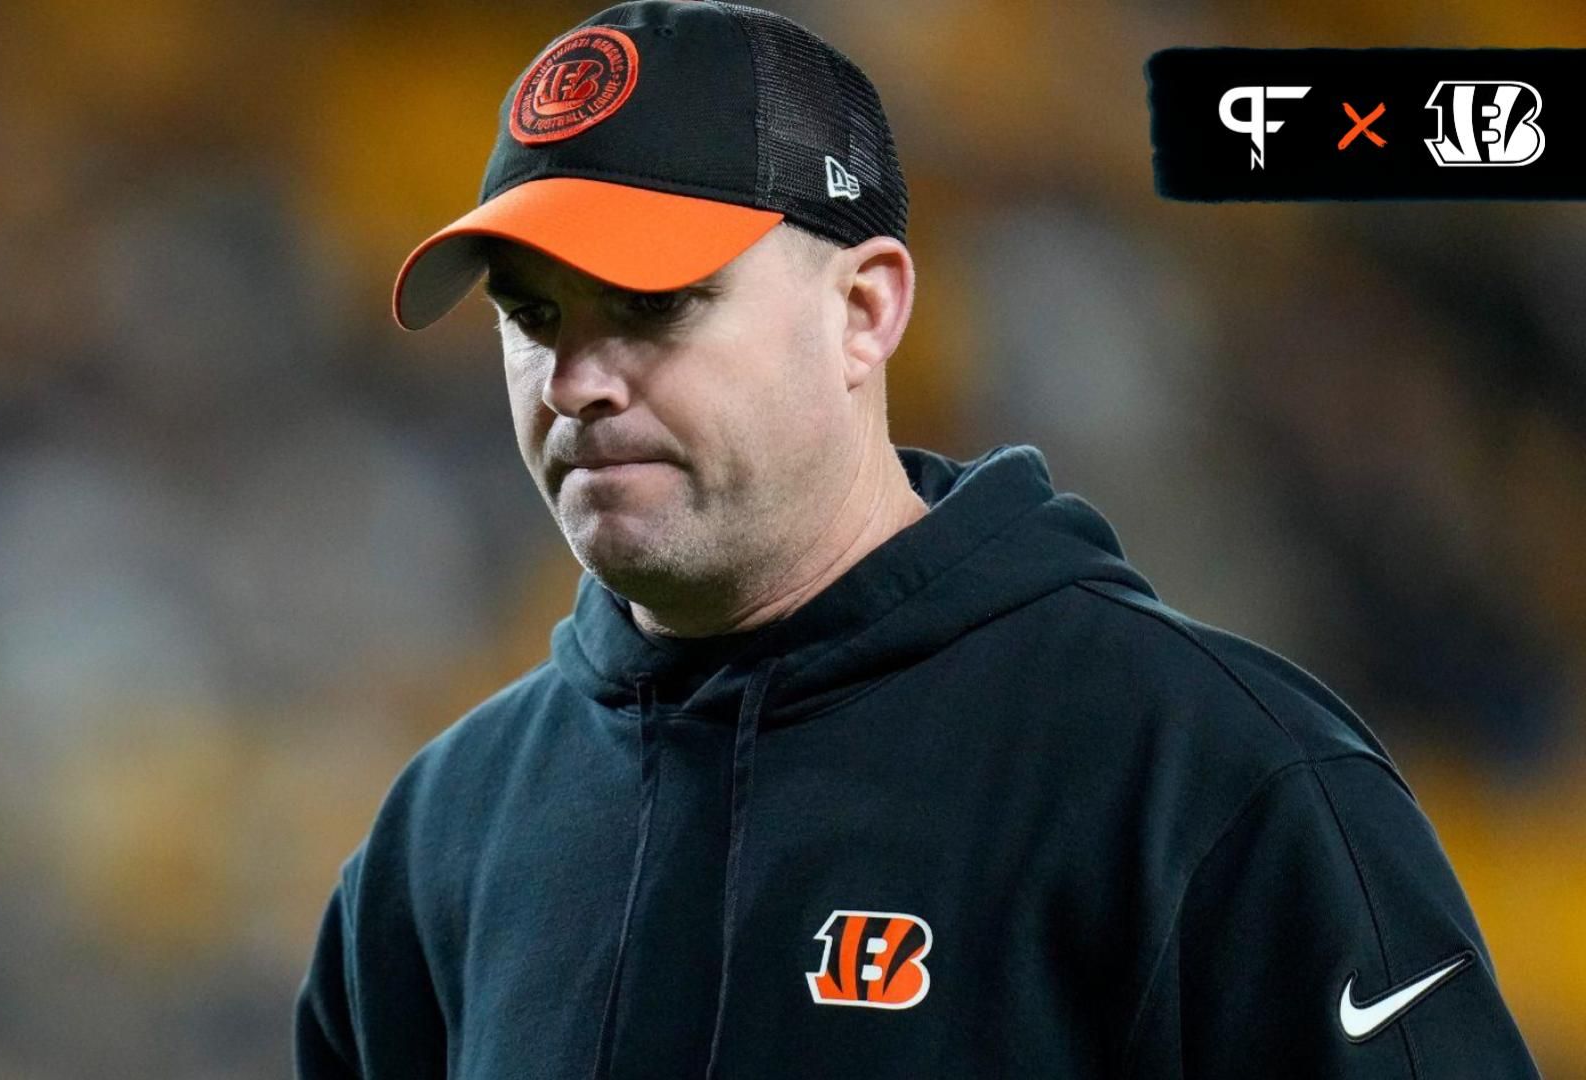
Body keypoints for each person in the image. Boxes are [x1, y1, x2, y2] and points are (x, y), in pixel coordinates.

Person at [295, 2, 1542, 1077]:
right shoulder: (441, 838)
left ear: (865, 309)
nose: (576, 382)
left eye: (655, 305)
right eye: (535, 315)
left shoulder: (1206, 778)